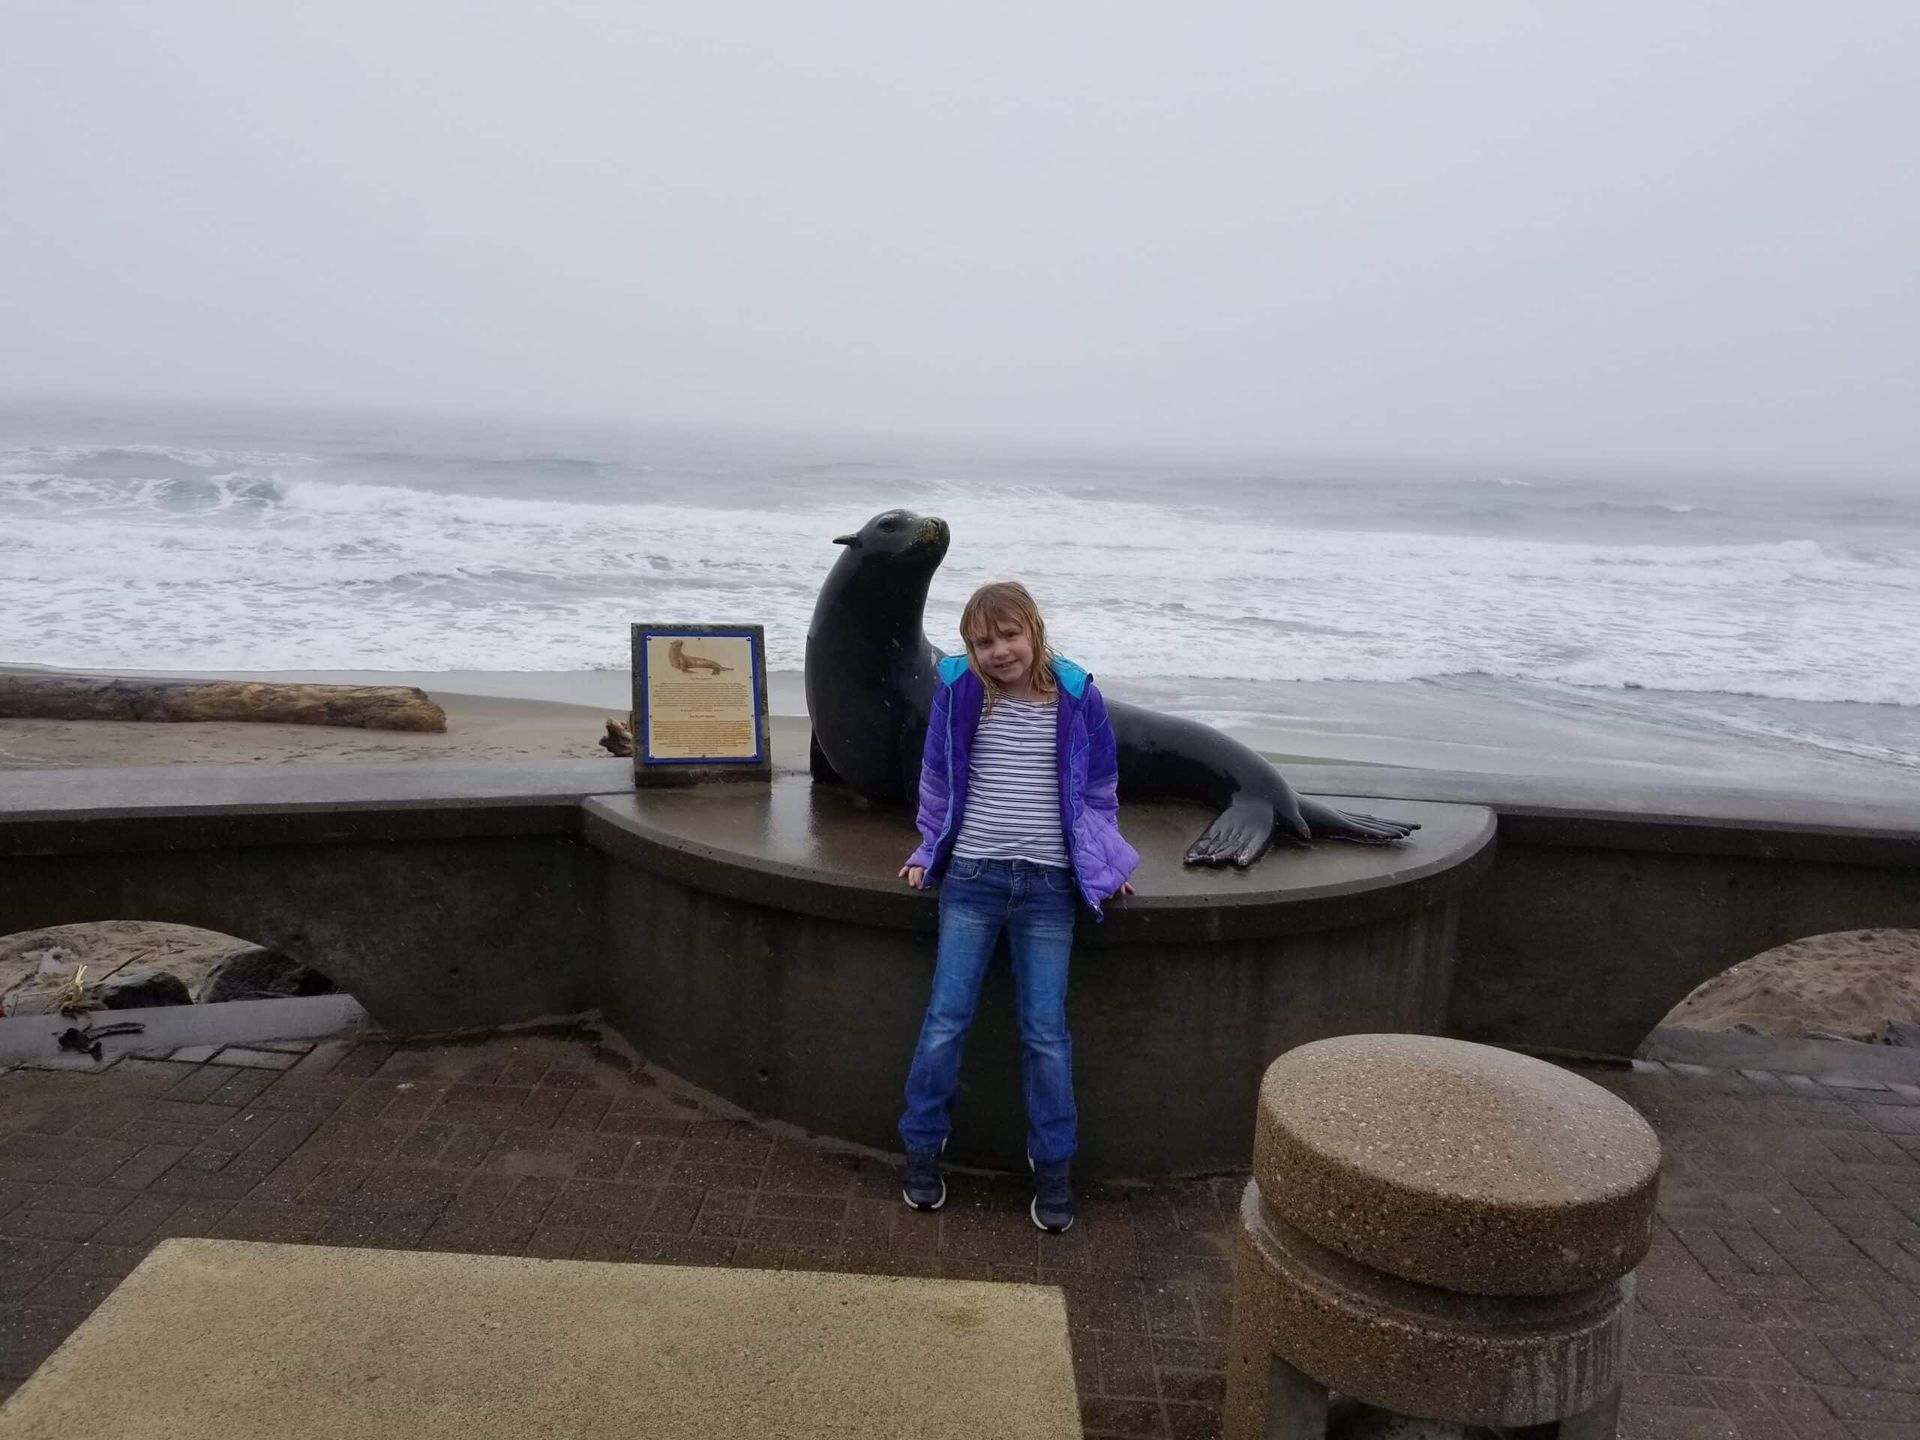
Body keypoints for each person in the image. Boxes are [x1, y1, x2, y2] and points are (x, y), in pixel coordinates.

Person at [895, 581, 1139, 1233]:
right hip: (972, 877)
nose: (998, 651)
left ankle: (1053, 1165)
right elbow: (939, 777)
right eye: (983, 641)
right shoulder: (959, 691)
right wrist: (927, 849)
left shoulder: (1077, 692)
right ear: (969, 649)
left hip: (1050, 888)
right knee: (946, 1020)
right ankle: (922, 1148)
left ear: (1033, 629)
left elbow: (1100, 785)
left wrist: (1105, 859)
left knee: (1045, 1034)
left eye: (1009, 635)